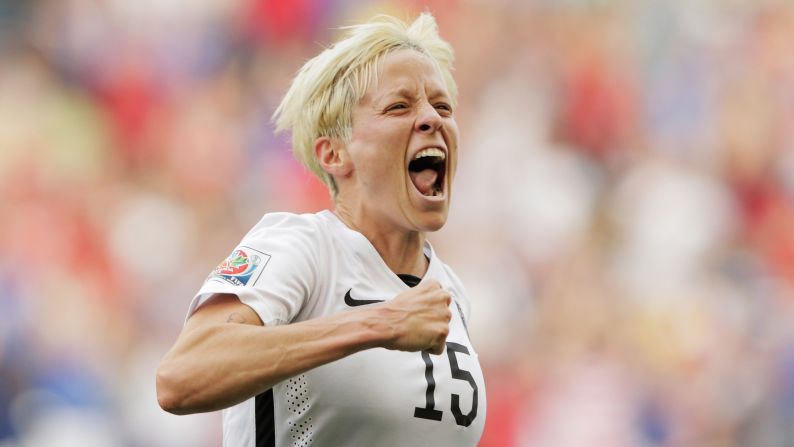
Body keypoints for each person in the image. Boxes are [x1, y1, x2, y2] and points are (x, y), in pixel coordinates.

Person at [156, 12, 486, 447]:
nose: (432, 119)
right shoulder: (302, 247)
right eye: (399, 106)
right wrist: (378, 324)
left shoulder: (450, 293)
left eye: (442, 106)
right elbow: (182, 376)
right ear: (334, 154)